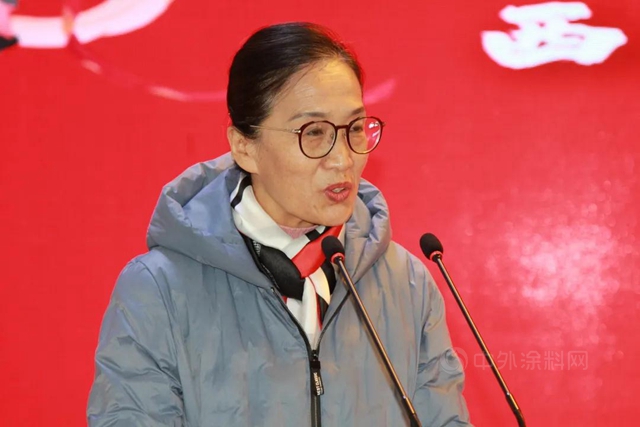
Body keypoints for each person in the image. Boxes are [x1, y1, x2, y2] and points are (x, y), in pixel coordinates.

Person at [87, 22, 471, 427]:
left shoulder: (407, 284)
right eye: (314, 132)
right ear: (245, 147)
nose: (343, 159)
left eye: (355, 128)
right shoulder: (159, 290)